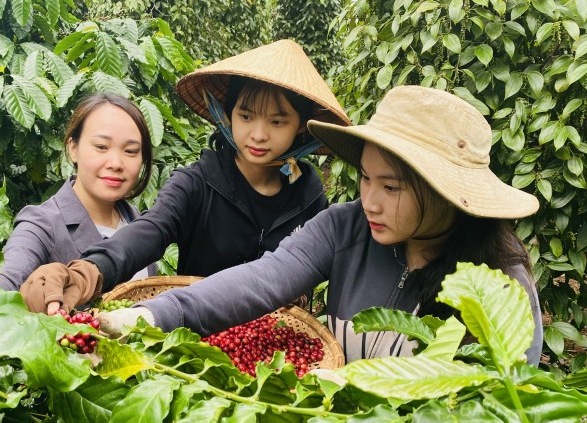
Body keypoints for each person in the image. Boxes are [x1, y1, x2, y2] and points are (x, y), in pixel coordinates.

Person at [94, 85, 545, 365]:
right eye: (366, 178)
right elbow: (261, 279)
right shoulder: (345, 227)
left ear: (446, 191)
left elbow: (497, 410)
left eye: (391, 188)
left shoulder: (501, 288)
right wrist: (152, 315)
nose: (370, 200)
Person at [19, 39, 351, 314]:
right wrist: (88, 272)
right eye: (246, 116)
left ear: (299, 130)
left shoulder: (308, 193)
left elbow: (314, 265)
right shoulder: (196, 183)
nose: (258, 135)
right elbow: (149, 231)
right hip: (195, 339)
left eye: (278, 122)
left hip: (275, 345)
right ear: (228, 115)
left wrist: (301, 296)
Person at [0, 93, 156, 292]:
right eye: (101, 147)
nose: (116, 163)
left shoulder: (139, 223)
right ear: (73, 148)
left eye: (130, 151)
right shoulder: (41, 225)